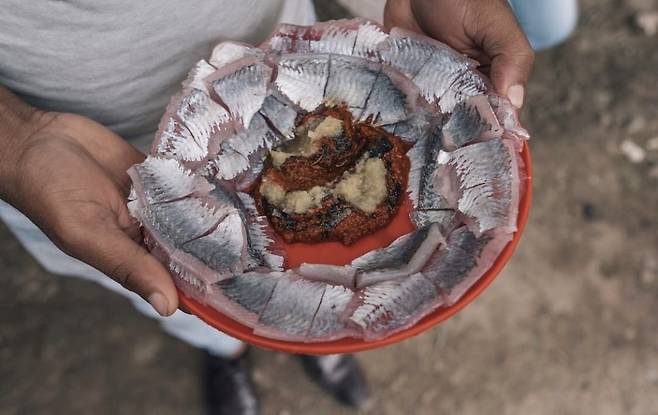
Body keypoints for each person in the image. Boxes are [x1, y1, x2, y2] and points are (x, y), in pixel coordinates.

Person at [0, 0, 575, 414]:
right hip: (72, 168)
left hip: (291, 75)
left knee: (326, 312)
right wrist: (18, 140)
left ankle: (321, 341)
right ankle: (224, 351)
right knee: (181, 303)